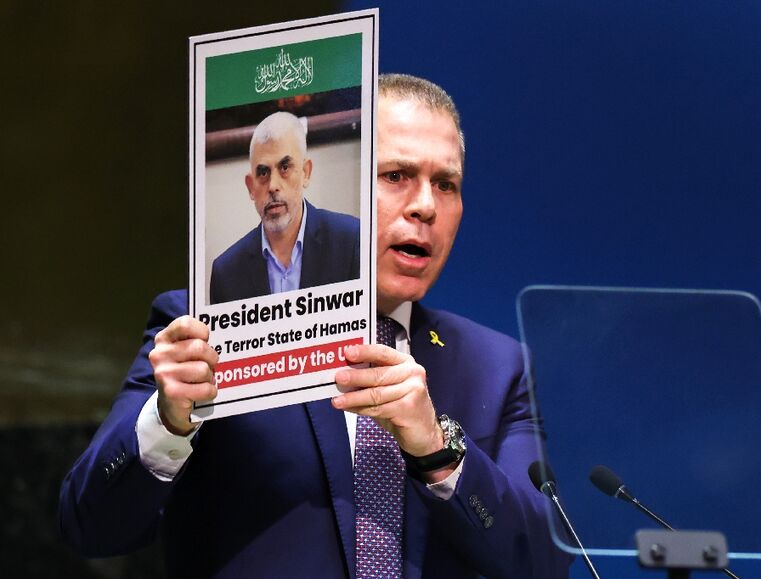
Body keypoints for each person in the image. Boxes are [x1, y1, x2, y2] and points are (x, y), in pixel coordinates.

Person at [59, 74, 572, 578]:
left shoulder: (496, 366)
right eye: (396, 176)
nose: (425, 206)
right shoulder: (209, 328)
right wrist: (168, 421)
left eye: (446, 184)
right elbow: (91, 527)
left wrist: (437, 451)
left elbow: (546, 563)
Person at [209, 110, 359, 304]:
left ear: (306, 173)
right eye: (263, 172)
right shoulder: (226, 272)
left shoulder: (352, 241)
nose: (272, 186)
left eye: (285, 167)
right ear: (250, 186)